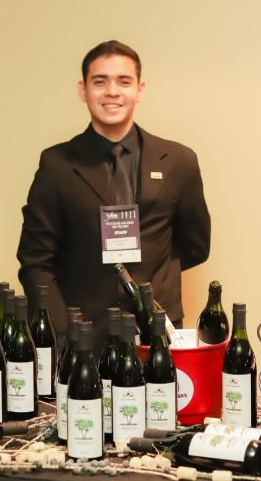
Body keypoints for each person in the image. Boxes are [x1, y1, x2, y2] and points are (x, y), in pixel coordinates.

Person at [17, 40, 211, 353]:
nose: (112, 92)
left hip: (158, 333)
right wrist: (61, 332)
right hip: (83, 337)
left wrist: (151, 274)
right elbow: (35, 260)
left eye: (124, 81)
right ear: (82, 90)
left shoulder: (178, 161)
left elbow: (195, 246)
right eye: (99, 82)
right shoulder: (57, 165)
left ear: (140, 89)